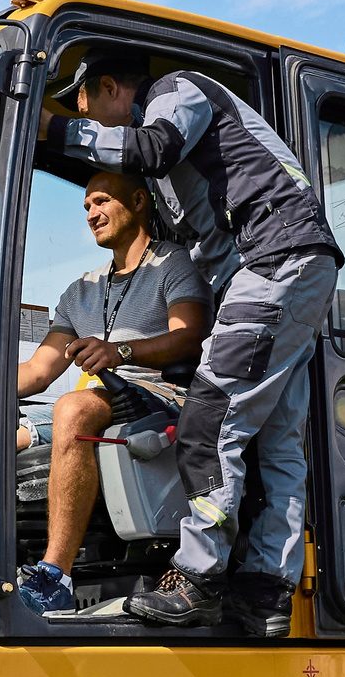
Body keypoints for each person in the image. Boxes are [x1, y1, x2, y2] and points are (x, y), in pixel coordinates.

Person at [56, 52, 344, 634]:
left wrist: (55, 130)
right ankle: (265, 592)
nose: (99, 133)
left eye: (90, 113)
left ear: (112, 86)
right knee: (278, 441)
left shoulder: (175, 91)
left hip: (274, 260)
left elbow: (151, 146)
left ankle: (197, 577)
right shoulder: (181, 178)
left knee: (208, 420)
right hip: (293, 267)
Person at [13, 169, 213, 613]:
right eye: (86, 207)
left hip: (158, 398)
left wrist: (121, 351)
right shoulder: (80, 290)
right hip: (96, 403)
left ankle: (54, 577)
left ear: (139, 201)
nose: (92, 213)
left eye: (101, 201)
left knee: (74, 408)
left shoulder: (171, 264)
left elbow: (189, 336)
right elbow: (39, 370)